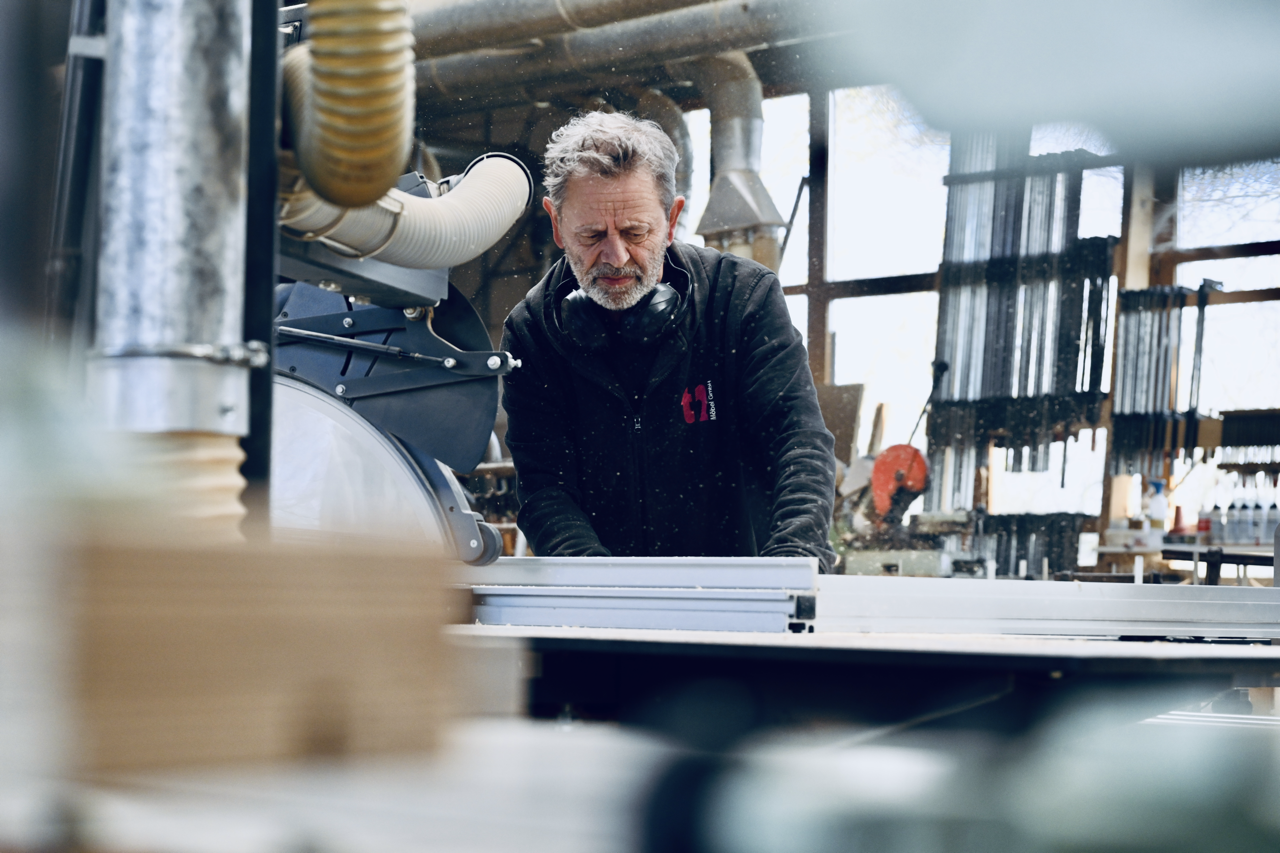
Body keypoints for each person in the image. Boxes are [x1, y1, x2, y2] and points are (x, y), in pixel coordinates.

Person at [500, 111, 837, 571]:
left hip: (742, 585)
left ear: (672, 219)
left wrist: (793, 568)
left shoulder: (742, 300)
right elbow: (546, 488)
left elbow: (797, 443)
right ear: (557, 225)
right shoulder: (532, 333)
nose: (616, 256)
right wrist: (598, 587)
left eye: (635, 232)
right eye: (591, 235)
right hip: (605, 595)